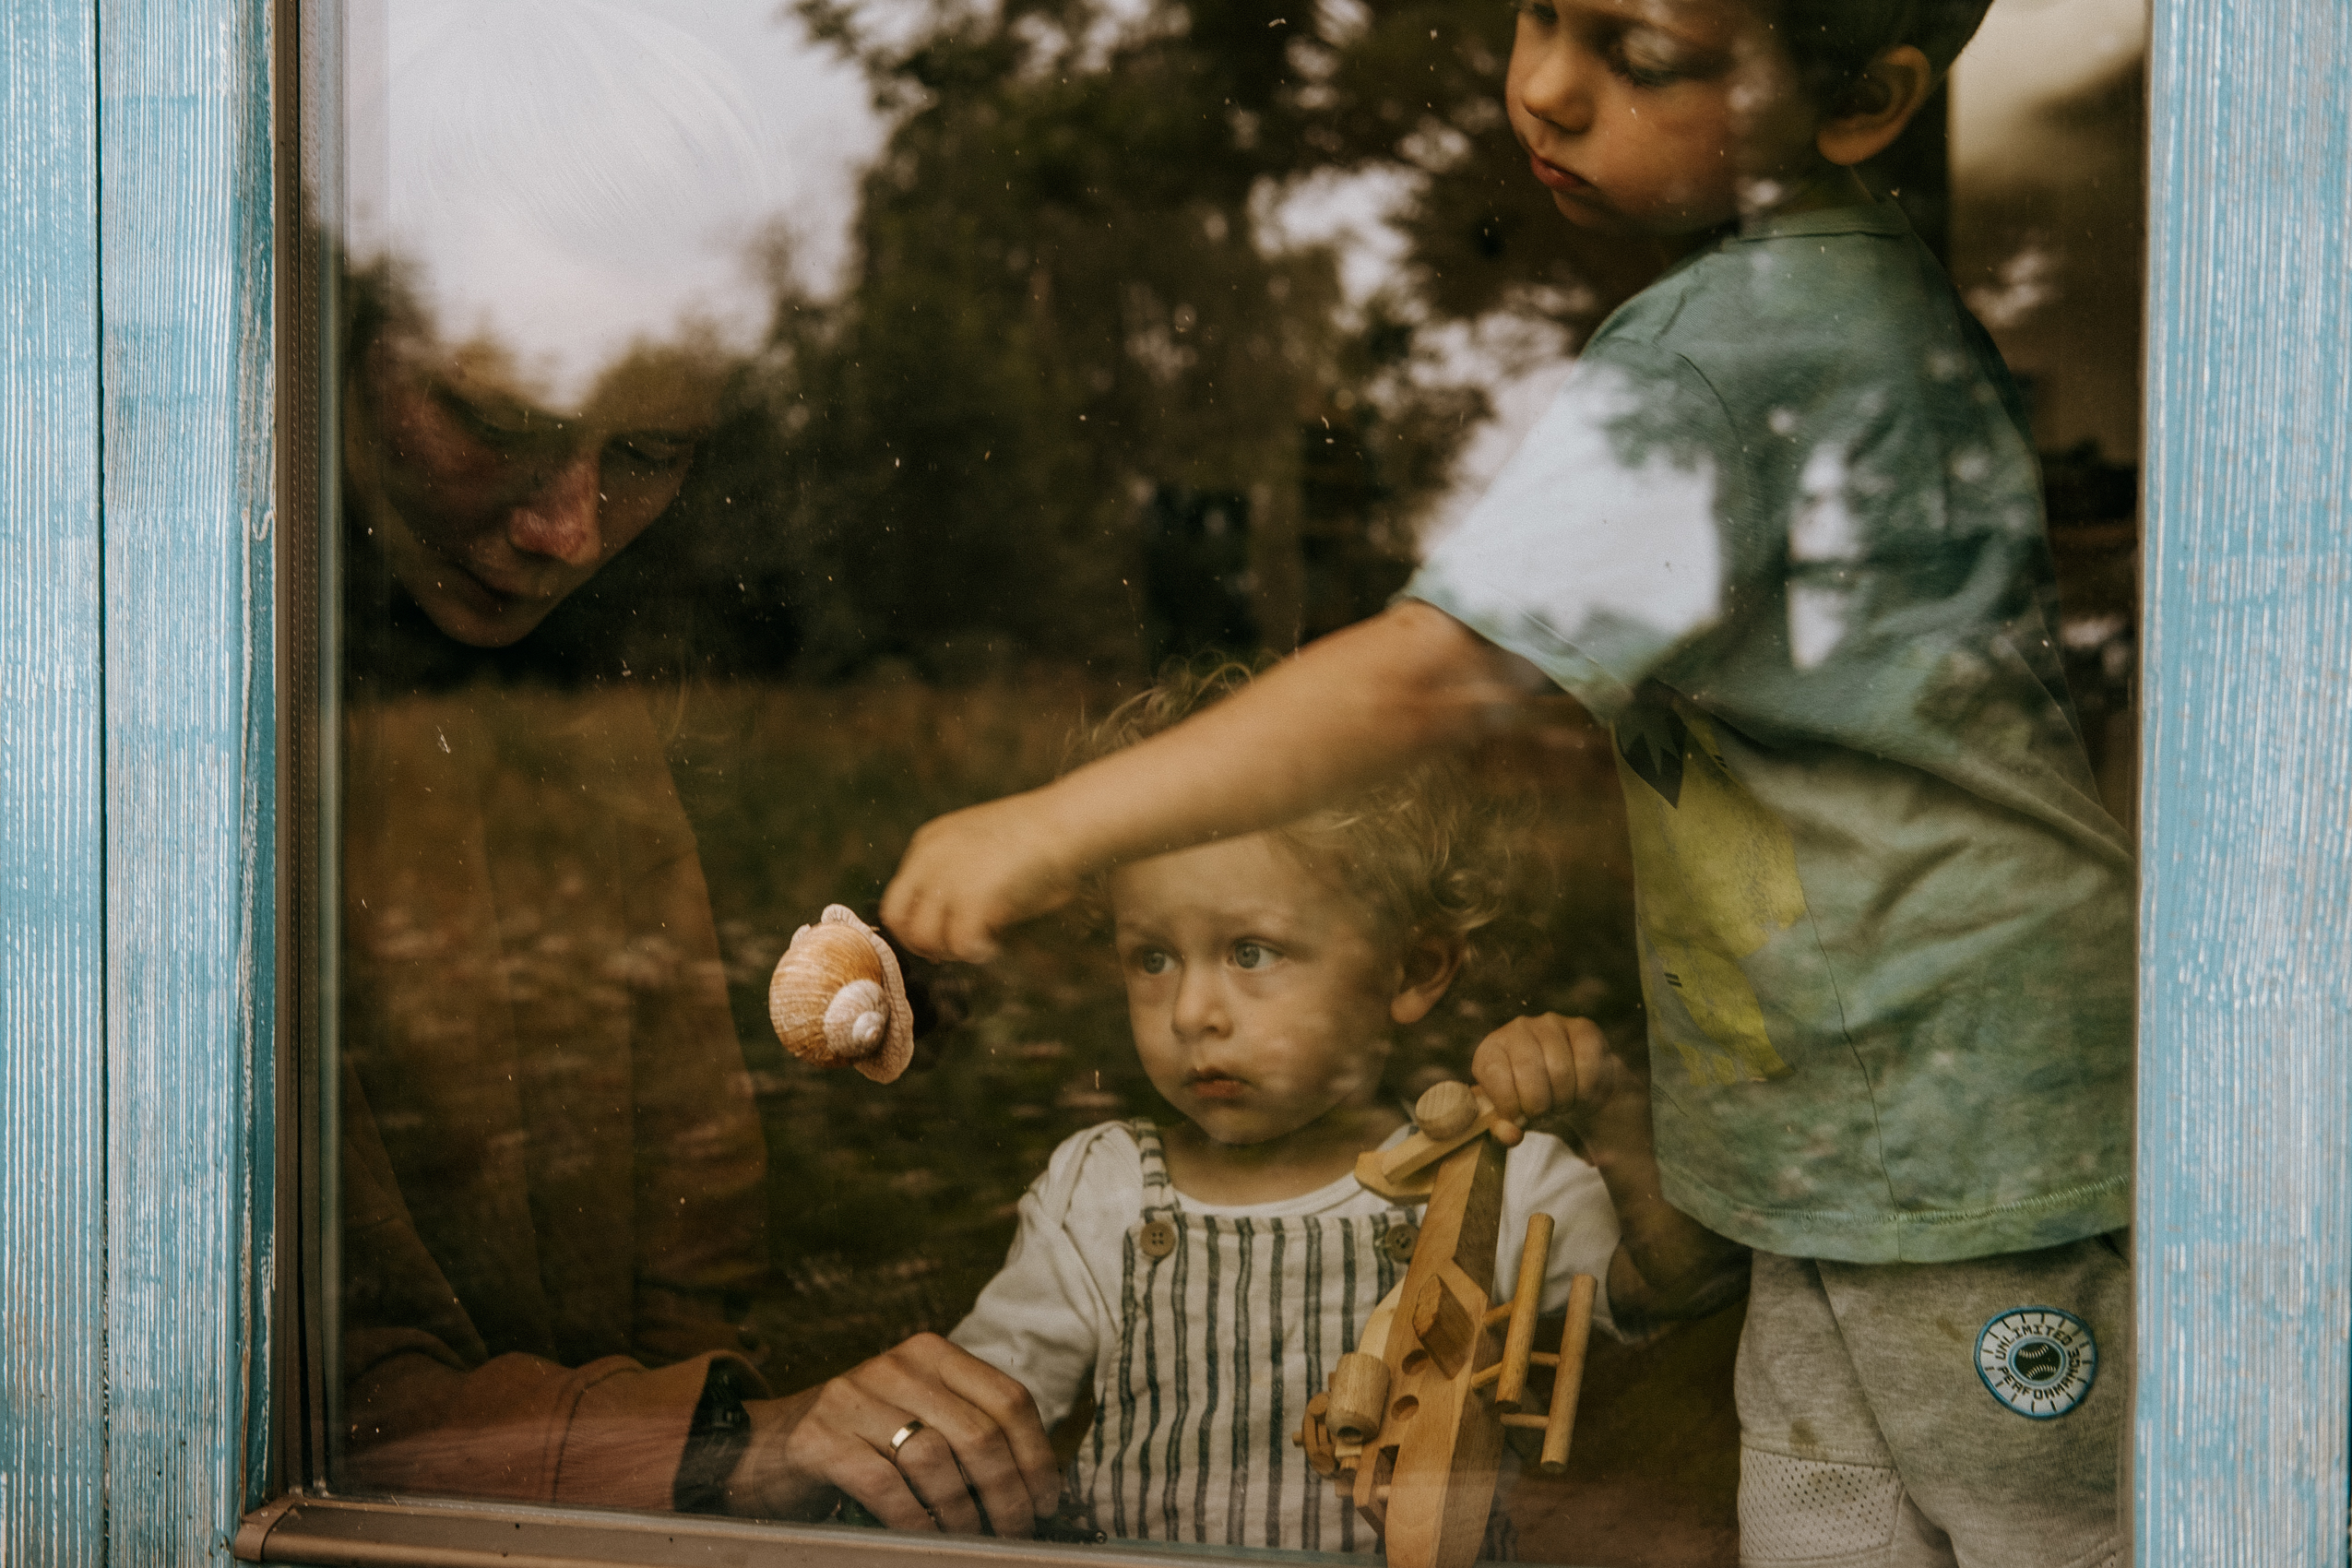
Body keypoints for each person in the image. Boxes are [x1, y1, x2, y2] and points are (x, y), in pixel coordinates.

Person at [883, 3, 2135, 1563]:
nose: (1541, 87)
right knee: (1830, 1525)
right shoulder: (1848, 307)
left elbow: (1433, 674)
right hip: (1866, 1133)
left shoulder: (1738, 346)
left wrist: (1061, 822)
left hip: (1953, 1128)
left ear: (1864, 102)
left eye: (1638, 55)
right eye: (1537, 12)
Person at [334, 1, 1055, 1534]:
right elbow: (223, 1391)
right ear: (343, 331)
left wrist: (731, 1431)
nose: (569, 529)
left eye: (648, 454)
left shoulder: (611, 716)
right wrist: (718, 1445)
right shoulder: (173, 721)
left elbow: (695, 1226)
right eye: (499, 419)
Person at [944, 670, 1745, 1552]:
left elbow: (1686, 1284)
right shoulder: (1101, 1192)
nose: (1190, 1013)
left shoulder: (1483, 1177)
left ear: (1413, 970)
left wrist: (1610, 1111)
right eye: (1153, 958)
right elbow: (973, 1422)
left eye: (1251, 952)